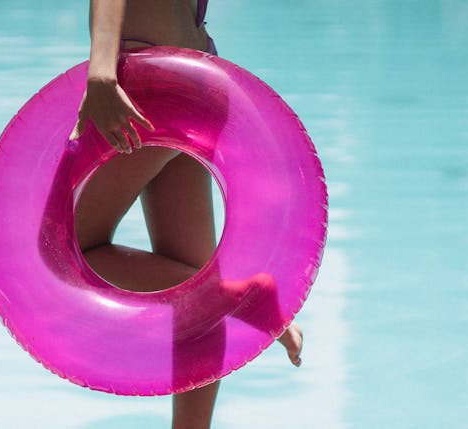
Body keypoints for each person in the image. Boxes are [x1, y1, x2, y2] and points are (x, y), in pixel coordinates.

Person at [69, 1, 303, 428]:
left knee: (69, 252)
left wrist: (102, 71)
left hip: (146, 81)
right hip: (196, 75)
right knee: (192, 287)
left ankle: (240, 298)